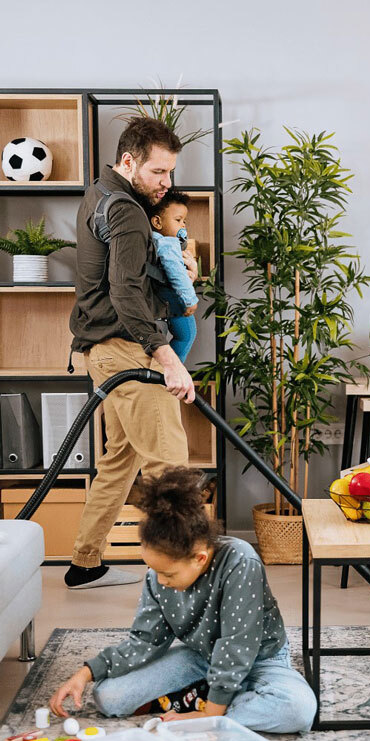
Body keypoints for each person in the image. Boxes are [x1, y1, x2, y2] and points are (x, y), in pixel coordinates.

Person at [48, 467, 317, 734]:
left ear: (199, 557)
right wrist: (84, 674)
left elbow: (236, 649)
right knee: (109, 697)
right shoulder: (157, 576)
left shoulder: (240, 561)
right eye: (155, 570)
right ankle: (216, 694)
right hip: (201, 656)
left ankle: (211, 703)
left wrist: (205, 716)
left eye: (168, 573)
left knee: (298, 709)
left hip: (260, 659)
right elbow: (144, 641)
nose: (160, 581)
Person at [67, 118, 198, 589]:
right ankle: (183, 578)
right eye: (159, 172)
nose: (167, 183)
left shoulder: (99, 194)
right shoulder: (126, 210)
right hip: (123, 352)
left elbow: (128, 281)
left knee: (119, 463)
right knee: (171, 466)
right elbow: (125, 293)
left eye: (170, 173)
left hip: (99, 350)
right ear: (129, 161)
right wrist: (169, 360)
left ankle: (85, 563)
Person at [149, 190, 199, 363]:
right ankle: (174, 369)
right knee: (187, 335)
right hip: (174, 300)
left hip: (162, 300)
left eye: (184, 221)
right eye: (178, 220)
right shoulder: (167, 243)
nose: (183, 225)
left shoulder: (153, 240)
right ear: (157, 222)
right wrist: (190, 299)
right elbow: (176, 273)